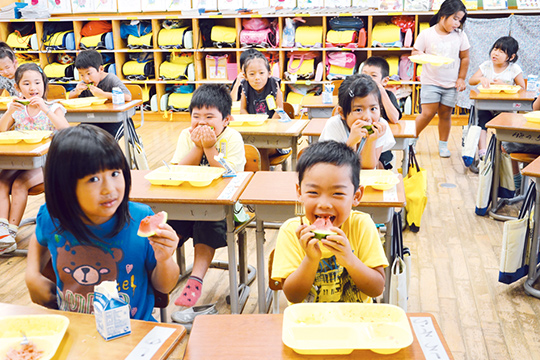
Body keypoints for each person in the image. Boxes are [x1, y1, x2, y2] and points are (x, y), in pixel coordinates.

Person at [25, 125, 180, 320]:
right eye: (94, 179)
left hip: (134, 331)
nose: (109, 189)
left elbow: (164, 286)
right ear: (64, 185)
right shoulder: (52, 217)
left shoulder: (139, 218)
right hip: (77, 330)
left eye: (115, 173)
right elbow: (38, 238)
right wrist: (31, 274)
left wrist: (165, 259)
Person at [271, 140, 388, 303]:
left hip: (355, 322)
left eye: (337, 194)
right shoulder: (292, 231)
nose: (324, 204)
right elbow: (293, 296)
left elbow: (376, 289)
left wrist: (349, 259)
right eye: (313, 192)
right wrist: (311, 260)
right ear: (299, 192)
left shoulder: (361, 225)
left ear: (356, 196)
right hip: (309, 323)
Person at [169, 84, 246, 308]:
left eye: (209, 116)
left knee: (206, 222)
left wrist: (210, 148)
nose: (201, 122)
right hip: (188, 200)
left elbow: (231, 176)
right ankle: (159, 269)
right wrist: (197, 147)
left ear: (226, 120)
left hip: (225, 206)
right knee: (168, 221)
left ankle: (196, 278)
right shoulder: (186, 135)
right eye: (196, 116)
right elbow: (177, 170)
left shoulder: (232, 138)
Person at [0, 63, 69, 255]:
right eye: (27, 83)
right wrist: (8, 112)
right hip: (22, 160)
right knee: (2, 181)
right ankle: (2, 231)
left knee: (20, 184)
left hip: (46, 163)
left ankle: (11, 231)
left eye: (37, 83)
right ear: (17, 87)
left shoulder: (53, 107)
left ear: (44, 85)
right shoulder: (17, 107)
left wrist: (45, 109)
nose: (33, 88)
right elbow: (1, 130)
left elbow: (66, 130)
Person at [412, 0, 470, 157]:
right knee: (427, 113)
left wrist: (461, 79)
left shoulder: (460, 36)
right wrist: (423, 56)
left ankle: (443, 145)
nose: (457, 24)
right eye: (455, 19)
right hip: (430, 81)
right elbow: (415, 53)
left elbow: (465, 58)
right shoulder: (427, 34)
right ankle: (411, 140)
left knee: (446, 115)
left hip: (450, 84)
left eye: (460, 20)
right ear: (443, 15)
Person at [469, 36, 525, 170]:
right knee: (481, 120)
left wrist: (506, 85)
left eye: (501, 51)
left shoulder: (514, 69)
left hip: (505, 109)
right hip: (487, 106)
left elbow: (522, 88)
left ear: (511, 57)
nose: (496, 53)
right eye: (495, 49)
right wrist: (481, 78)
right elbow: (471, 80)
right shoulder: (486, 66)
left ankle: (504, 156)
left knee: (506, 129)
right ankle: (482, 155)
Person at [319, 74, 396, 169]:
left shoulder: (380, 126)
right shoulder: (335, 125)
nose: (367, 117)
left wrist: (371, 140)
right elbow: (336, 167)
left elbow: (368, 166)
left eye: (373, 108)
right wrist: (352, 141)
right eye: (358, 110)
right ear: (342, 113)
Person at [239, 51, 287, 170]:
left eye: (261, 73)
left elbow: (279, 111)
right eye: (252, 74)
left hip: (275, 139)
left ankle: (263, 179)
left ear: (269, 73)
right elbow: (242, 110)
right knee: (247, 149)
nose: (257, 78)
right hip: (254, 134)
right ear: (245, 76)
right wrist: (254, 124)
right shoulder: (245, 87)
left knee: (261, 148)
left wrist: (267, 127)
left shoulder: (274, 85)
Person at [70, 50, 132, 137]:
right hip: (92, 120)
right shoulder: (84, 83)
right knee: (78, 136)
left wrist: (103, 95)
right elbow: (70, 98)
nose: (86, 78)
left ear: (101, 69)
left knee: (104, 139)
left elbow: (128, 97)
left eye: (89, 73)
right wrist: (76, 92)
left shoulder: (111, 79)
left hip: (113, 120)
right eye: (82, 75)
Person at [361, 56, 403, 169]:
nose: (367, 79)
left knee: (378, 165)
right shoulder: (357, 95)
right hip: (359, 141)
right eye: (364, 74)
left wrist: (381, 91)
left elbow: (394, 118)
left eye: (373, 76)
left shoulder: (388, 95)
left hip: (380, 142)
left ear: (384, 81)